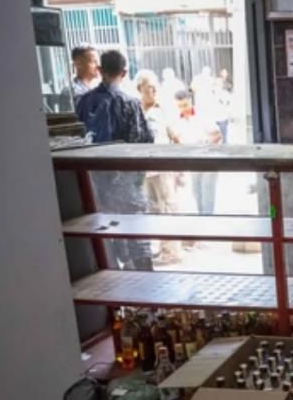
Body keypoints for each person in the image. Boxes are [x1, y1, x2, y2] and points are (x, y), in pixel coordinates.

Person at [75, 50, 153, 271]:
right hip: (128, 184)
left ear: (100, 70)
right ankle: (147, 286)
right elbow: (143, 141)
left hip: (97, 184)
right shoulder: (130, 103)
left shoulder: (83, 102)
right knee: (138, 236)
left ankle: (119, 284)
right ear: (124, 72)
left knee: (111, 235)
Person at [135, 70, 183, 265]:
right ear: (140, 89)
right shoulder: (136, 110)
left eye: (155, 87)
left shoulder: (162, 110)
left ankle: (172, 252)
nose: (153, 91)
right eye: (149, 88)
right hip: (145, 169)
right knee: (153, 209)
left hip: (163, 167)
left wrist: (179, 168)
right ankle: (162, 248)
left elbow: (176, 137)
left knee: (168, 208)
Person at [169, 89, 221, 215]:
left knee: (207, 192)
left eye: (185, 105)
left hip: (209, 159)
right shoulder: (176, 120)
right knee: (196, 192)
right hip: (192, 160)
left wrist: (204, 145)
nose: (183, 109)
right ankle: (202, 217)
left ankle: (207, 220)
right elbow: (176, 141)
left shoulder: (203, 114)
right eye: (180, 106)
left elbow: (217, 135)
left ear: (191, 101)